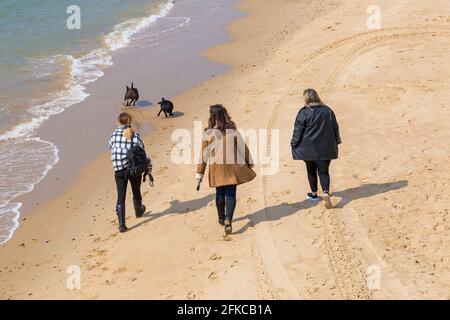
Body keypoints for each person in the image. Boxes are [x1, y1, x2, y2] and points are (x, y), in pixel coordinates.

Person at [196, 104, 256, 235]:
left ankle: (221, 218)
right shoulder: (232, 129)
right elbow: (242, 146)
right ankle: (229, 218)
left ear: (211, 117)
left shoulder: (207, 133)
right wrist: (250, 162)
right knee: (231, 193)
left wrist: (199, 173)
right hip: (232, 167)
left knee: (219, 193)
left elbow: (203, 155)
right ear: (224, 115)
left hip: (216, 168)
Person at [290, 89, 341, 209]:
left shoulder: (303, 112)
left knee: (311, 170)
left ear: (306, 99)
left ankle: (313, 194)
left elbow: (297, 131)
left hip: (307, 150)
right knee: (323, 171)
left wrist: (293, 144)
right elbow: (335, 128)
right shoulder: (327, 111)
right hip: (325, 149)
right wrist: (337, 141)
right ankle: (326, 192)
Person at [109, 112, 151, 232]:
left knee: (120, 196)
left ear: (118, 122)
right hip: (133, 169)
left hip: (118, 170)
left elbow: (111, 148)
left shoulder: (113, 136)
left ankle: (122, 224)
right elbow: (141, 149)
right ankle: (138, 210)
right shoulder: (135, 135)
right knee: (136, 189)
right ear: (130, 122)